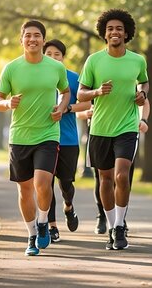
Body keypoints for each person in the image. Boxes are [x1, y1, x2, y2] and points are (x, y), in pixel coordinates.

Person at [0, 20, 70, 256]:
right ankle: (31, 235)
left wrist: (61, 106)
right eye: (28, 36)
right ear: (21, 40)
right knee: (25, 190)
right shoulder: (11, 68)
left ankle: (44, 220)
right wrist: (8, 103)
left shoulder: (55, 67)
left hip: (47, 134)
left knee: (42, 183)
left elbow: (65, 92)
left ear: (43, 40)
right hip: (20, 136)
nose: (32, 39)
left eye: (37, 35)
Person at [77, 9, 148, 250]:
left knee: (121, 175)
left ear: (126, 33)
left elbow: (143, 82)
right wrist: (96, 92)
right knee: (105, 180)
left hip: (127, 127)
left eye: (118, 28)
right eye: (110, 29)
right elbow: (80, 93)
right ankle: (110, 225)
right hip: (100, 128)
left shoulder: (137, 60)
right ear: (104, 34)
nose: (114, 32)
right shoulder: (94, 61)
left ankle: (119, 226)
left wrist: (142, 95)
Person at [43, 39, 92, 243]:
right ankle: (52, 226)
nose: (53, 58)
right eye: (49, 54)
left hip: (68, 140)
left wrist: (67, 108)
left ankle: (69, 207)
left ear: (63, 57)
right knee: (46, 184)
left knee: (66, 183)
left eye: (57, 55)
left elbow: (87, 103)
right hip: (44, 138)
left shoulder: (73, 78)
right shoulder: (39, 78)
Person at [79, 101, 149, 236]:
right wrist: (87, 113)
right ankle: (103, 216)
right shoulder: (96, 82)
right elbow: (79, 109)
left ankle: (120, 221)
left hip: (126, 132)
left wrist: (143, 120)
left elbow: (144, 101)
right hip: (100, 131)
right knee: (102, 179)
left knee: (122, 177)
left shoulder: (130, 81)